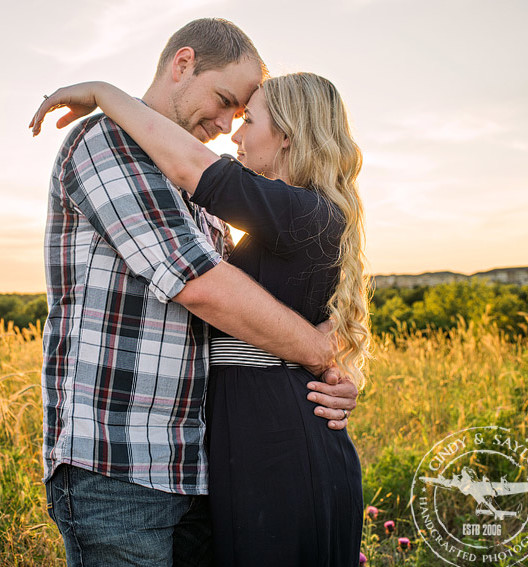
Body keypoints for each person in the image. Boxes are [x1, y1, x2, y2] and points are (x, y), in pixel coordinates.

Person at [30, 19, 359, 567]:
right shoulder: (110, 141)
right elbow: (201, 286)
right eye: (228, 100)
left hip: (200, 464)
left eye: (244, 115)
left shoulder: (209, 189)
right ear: (183, 65)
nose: (230, 123)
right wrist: (316, 352)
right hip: (122, 468)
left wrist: (321, 373)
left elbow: (232, 323)